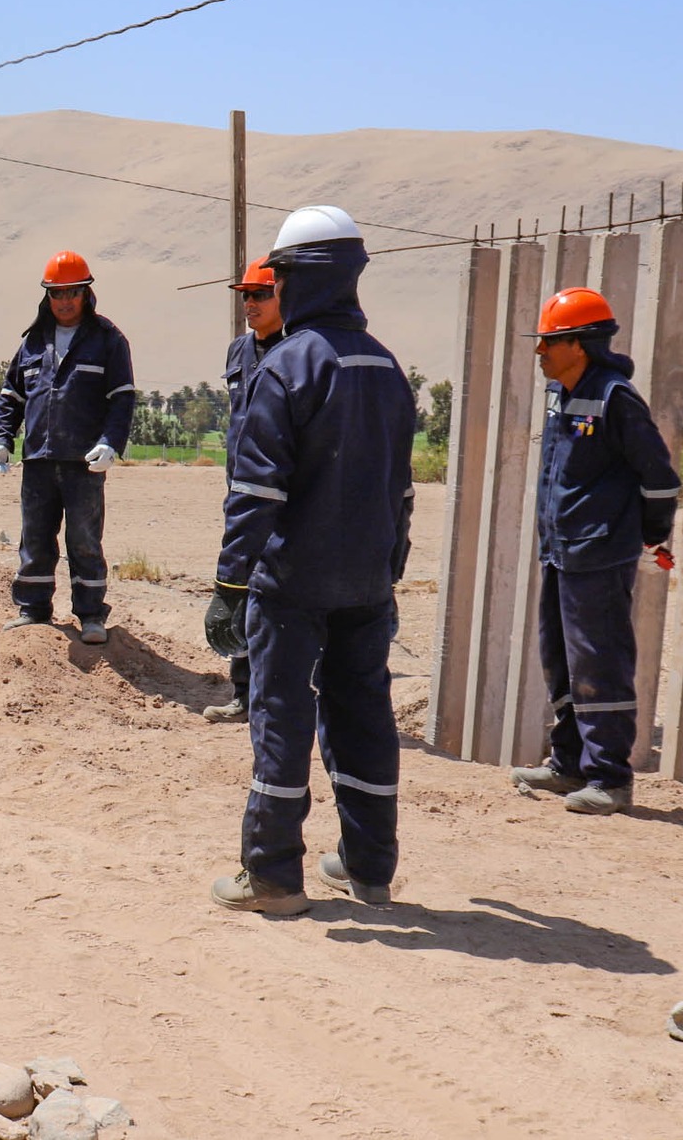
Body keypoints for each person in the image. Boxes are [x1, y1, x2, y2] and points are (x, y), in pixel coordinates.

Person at [205, 205, 415, 915]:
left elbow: (256, 492)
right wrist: (388, 565)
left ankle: (271, 873)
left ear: (306, 277)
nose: (276, 287)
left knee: (282, 717)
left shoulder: (288, 364)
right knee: (364, 716)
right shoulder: (384, 364)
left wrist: (231, 583)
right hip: (366, 580)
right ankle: (369, 867)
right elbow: (401, 487)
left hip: (292, 583)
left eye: (282, 275)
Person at [510, 288, 680, 816]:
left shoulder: (615, 398)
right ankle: (569, 765)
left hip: (599, 554)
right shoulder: (564, 394)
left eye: (549, 342)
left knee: (599, 663)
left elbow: (660, 480)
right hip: (561, 552)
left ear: (579, 345)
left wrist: (649, 534)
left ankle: (610, 777)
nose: (540, 352)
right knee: (560, 660)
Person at [0, 249, 136, 645]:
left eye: (73, 292)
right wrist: (1, 439)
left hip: (83, 463)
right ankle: (33, 609)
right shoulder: (33, 343)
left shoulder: (108, 340)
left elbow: (122, 399)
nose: (65, 301)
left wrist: (110, 444)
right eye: (57, 294)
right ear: (47, 297)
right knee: (34, 536)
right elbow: (10, 398)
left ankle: (91, 615)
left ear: (87, 293)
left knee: (84, 539)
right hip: (38, 459)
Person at [202, 260, 286, 725]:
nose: (250, 304)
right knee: (243, 589)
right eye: (245, 295)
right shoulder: (239, 352)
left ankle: (278, 698)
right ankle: (243, 692)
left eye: (261, 294)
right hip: (241, 493)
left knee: (280, 596)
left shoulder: (297, 352)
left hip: (283, 498)